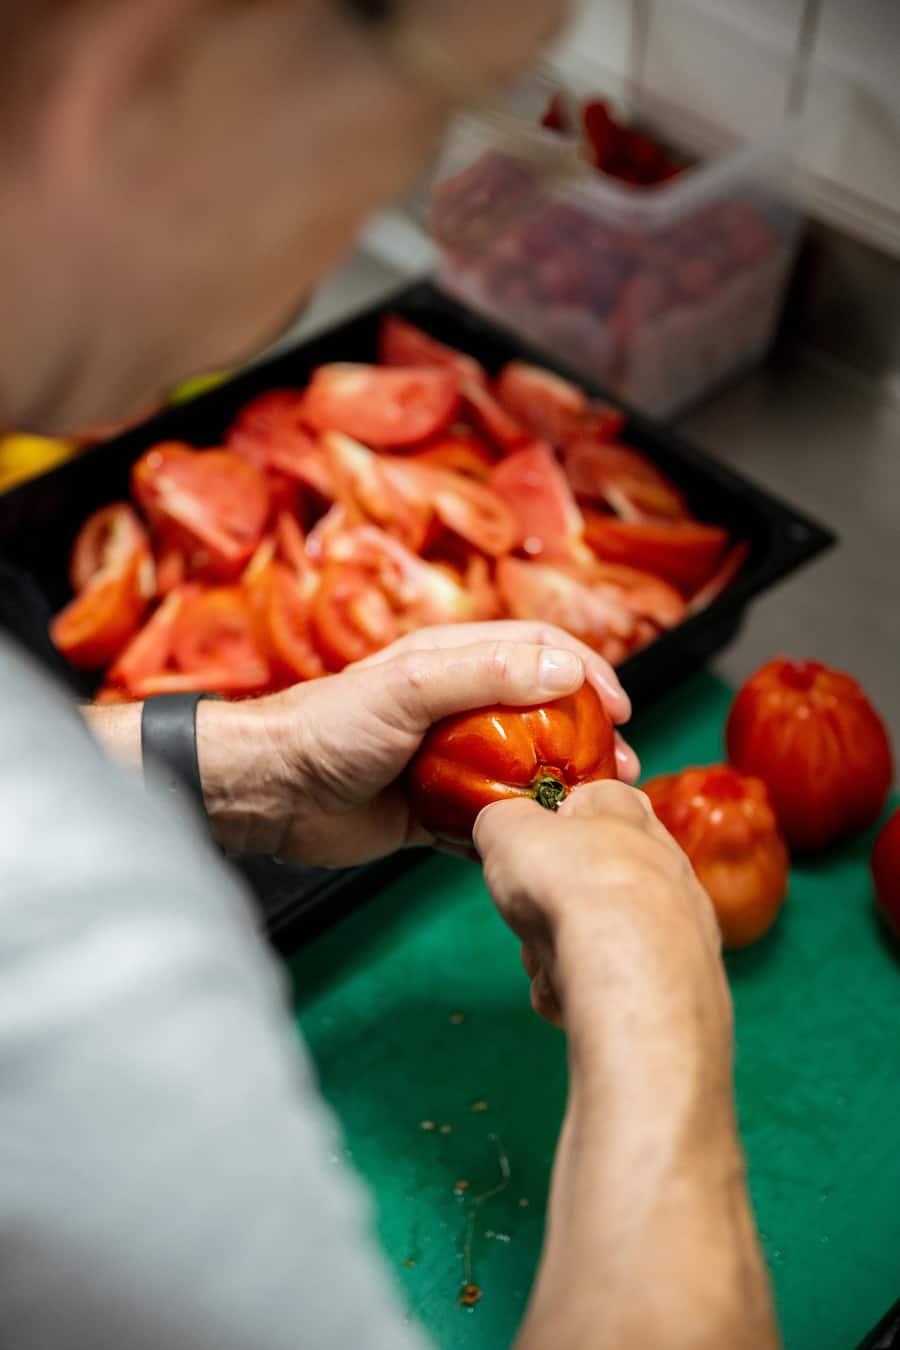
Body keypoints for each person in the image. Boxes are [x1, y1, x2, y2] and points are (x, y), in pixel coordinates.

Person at [0, 2, 779, 1347]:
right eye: (439, 102)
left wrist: (255, 758)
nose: (413, 185)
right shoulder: (78, 966)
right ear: (156, 59)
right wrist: (662, 1015)